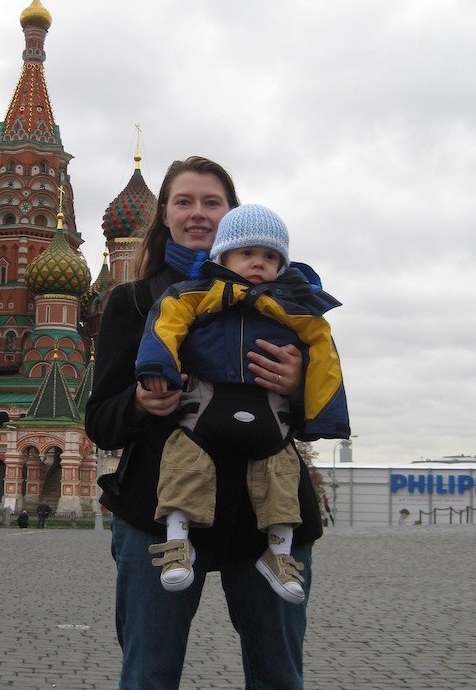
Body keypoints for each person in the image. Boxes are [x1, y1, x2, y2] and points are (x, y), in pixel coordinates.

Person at [85, 157, 326, 690]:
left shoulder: (289, 300)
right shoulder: (134, 300)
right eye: (184, 202)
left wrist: (296, 384)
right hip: (158, 510)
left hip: (267, 516)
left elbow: (319, 413)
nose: (198, 214)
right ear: (164, 217)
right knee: (149, 674)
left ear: (233, 216)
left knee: (278, 675)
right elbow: (100, 422)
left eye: (212, 202)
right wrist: (142, 404)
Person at [135, 204, 349, 602]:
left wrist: (321, 410)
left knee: (281, 479)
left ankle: (279, 554)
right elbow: (166, 322)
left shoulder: (296, 305)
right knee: (184, 466)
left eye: (270, 257)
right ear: (223, 257)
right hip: (204, 414)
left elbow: (324, 348)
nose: (258, 264)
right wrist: (156, 368)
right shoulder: (197, 293)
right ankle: (177, 543)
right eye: (248, 254)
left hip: (271, 418)